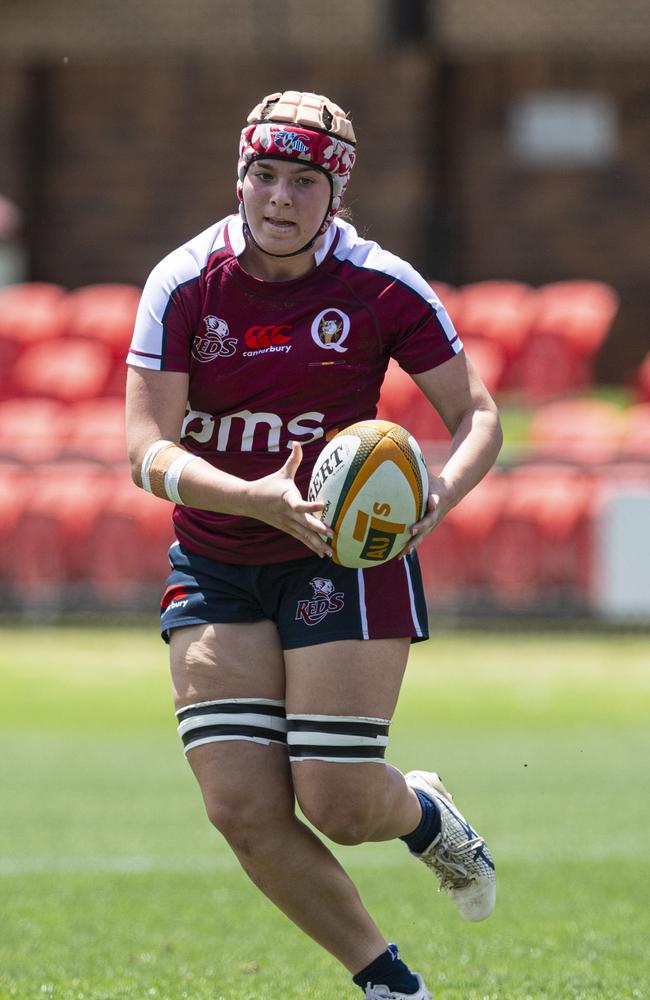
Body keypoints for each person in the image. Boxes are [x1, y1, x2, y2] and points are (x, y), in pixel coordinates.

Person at [125, 90, 502, 999]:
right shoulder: (183, 282)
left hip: (345, 560)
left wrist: (437, 498)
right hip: (218, 557)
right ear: (240, 176)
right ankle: (388, 983)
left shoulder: (381, 284)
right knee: (243, 811)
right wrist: (253, 497)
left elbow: (479, 415)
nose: (280, 198)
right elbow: (145, 448)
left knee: (336, 803)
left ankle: (425, 817)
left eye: (304, 180)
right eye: (264, 174)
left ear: (336, 192)